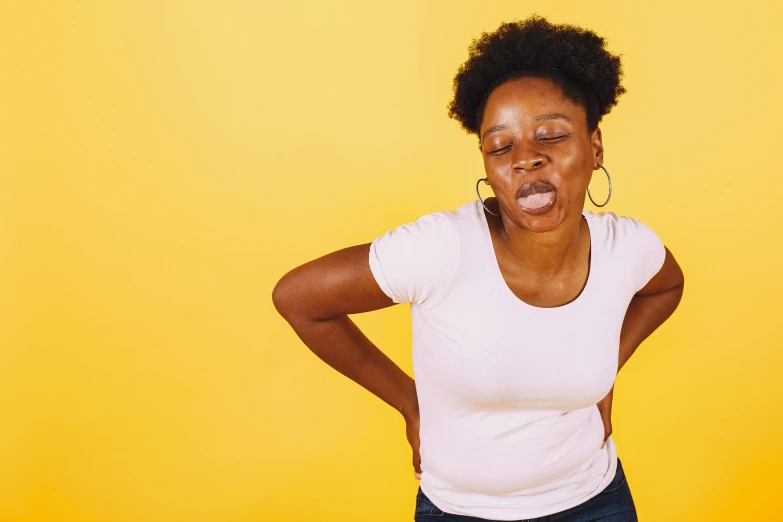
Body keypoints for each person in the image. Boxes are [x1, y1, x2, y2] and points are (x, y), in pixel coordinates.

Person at [272, 14, 685, 522]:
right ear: (488, 167)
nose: (525, 159)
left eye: (550, 135)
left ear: (594, 147)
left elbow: (666, 288)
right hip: (459, 510)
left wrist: (606, 369)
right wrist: (409, 401)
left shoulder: (628, 247)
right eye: (500, 146)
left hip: (595, 502)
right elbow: (299, 298)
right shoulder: (441, 249)